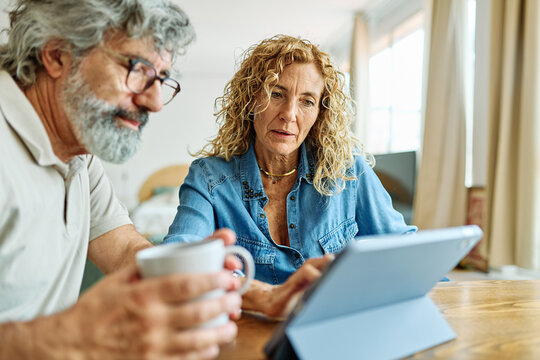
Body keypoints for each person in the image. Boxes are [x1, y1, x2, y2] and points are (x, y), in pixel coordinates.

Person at [0, 1, 242, 358]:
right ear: (57, 55)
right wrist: (70, 337)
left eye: (160, 79)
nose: (156, 102)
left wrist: (216, 282)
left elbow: (125, 249)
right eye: (138, 68)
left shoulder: (77, 154)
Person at [164, 35, 417, 318]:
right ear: (251, 99)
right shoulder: (209, 178)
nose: (289, 114)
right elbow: (178, 257)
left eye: (307, 101)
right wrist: (259, 295)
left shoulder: (349, 172)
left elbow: (406, 254)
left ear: (320, 113)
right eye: (276, 94)